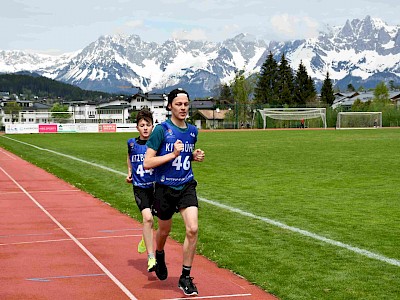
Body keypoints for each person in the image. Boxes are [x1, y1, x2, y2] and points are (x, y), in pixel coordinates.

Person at [143, 88, 205, 296]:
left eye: (186, 104)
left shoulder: (192, 131)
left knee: (193, 229)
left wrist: (192, 156)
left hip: (186, 185)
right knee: (164, 231)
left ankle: (185, 277)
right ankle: (159, 253)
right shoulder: (161, 130)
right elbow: (147, 162)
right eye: (179, 104)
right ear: (170, 106)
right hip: (164, 188)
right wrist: (172, 154)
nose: (183, 108)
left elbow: (184, 157)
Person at [126, 108, 156, 272]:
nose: (145, 128)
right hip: (140, 188)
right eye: (142, 125)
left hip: (156, 187)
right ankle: (151, 258)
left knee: (155, 220)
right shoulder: (132, 143)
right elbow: (129, 157)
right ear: (137, 127)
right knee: (148, 219)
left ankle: (146, 238)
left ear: (153, 126)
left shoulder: (156, 144)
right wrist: (130, 172)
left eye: (148, 125)